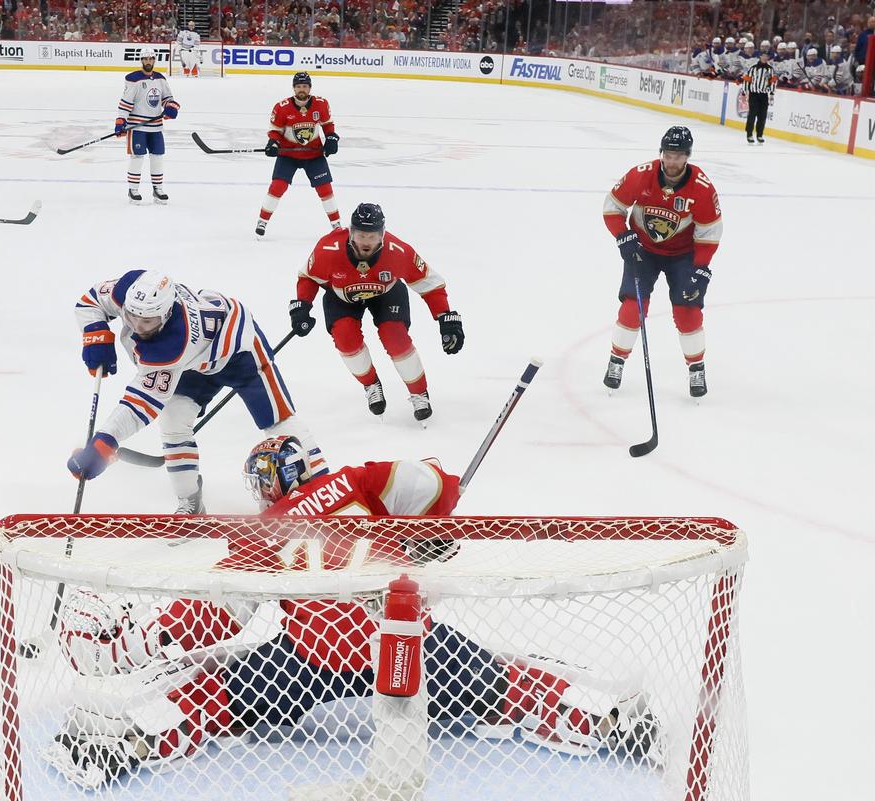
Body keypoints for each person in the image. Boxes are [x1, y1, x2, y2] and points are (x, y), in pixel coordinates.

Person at [40, 436, 658, 789]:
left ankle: (124, 740)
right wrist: (429, 531)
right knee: (510, 683)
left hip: (309, 655)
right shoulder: (362, 480)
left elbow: (218, 616)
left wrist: (145, 639)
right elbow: (439, 484)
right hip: (401, 645)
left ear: (274, 484)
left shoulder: (259, 531)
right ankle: (605, 720)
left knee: (214, 693)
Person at [68, 270, 328, 513]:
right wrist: (96, 332)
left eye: (147, 321)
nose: (136, 327)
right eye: (131, 317)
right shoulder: (130, 290)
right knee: (173, 422)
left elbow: (140, 405)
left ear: (166, 313)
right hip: (193, 363)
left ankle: (326, 490)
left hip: (239, 351)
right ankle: (190, 502)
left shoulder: (172, 345)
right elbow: (90, 301)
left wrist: (104, 442)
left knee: (279, 421)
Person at [288, 203, 463, 423]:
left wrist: (445, 318)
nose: (366, 242)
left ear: (382, 235)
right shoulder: (328, 249)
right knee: (345, 339)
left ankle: (419, 392)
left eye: (372, 237)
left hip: (386, 294)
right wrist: (302, 306)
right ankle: (371, 384)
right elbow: (308, 277)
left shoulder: (398, 251)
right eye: (361, 235)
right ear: (351, 233)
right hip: (341, 297)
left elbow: (430, 284)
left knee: (396, 338)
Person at [601, 126, 722, 398]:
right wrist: (624, 236)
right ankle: (616, 360)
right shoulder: (641, 175)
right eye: (668, 154)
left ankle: (696, 367)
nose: (672, 161)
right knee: (634, 304)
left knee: (687, 308)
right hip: (642, 250)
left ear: (687, 157)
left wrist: (701, 267)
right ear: (661, 153)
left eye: (678, 156)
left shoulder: (701, 187)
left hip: (683, 255)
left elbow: (709, 231)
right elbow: (612, 206)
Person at [255, 72, 341, 237]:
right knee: (277, 186)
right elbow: (275, 131)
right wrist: (273, 143)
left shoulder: (321, 104)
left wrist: (331, 138)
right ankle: (262, 221)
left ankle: (337, 226)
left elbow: (328, 124)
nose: (302, 89)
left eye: (305, 86)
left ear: (310, 88)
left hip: (314, 155)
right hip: (288, 155)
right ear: (294, 88)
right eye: (299, 86)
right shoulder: (282, 107)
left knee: (325, 189)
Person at [115, 47, 179, 204]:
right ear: (141, 60)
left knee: (157, 157)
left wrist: (170, 107)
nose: (148, 61)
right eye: (145, 59)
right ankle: (133, 190)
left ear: (154, 60)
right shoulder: (134, 79)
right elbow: (126, 103)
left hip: (156, 126)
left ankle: (158, 189)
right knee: (137, 157)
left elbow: (167, 98)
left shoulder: (160, 79)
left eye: (151, 59)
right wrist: (121, 121)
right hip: (137, 126)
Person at [741, 49, 776, 144]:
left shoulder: (770, 69)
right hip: (754, 94)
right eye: (763, 55)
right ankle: (749, 134)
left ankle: (759, 134)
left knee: (762, 115)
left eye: (766, 56)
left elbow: (773, 82)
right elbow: (746, 80)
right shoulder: (753, 68)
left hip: (764, 95)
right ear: (760, 56)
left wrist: (772, 93)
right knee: (752, 114)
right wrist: (744, 93)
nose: (765, 57)